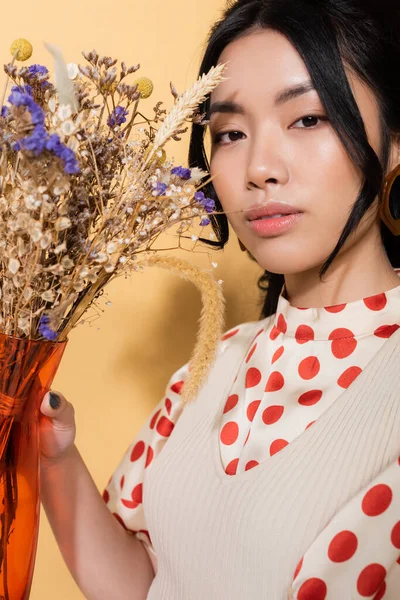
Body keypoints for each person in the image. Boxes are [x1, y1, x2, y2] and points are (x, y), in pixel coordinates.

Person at [39, 0, 400, 598]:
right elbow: (146, 583)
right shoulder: (210, 367)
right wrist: (54, 457)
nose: (258, 167)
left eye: (308, 119)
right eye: (230, 133)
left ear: (392, 144)